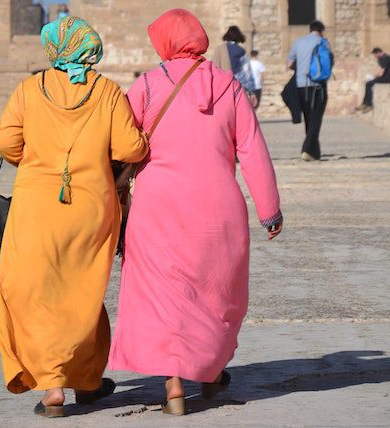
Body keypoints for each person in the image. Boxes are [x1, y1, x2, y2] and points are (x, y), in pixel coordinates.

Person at [108, 9, 282, 416]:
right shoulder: (229, 86)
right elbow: (252, 150)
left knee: (163, 295)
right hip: (219, 209)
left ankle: (172, 385)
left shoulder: (147, 86)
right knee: (215, 294)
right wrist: (269, 209)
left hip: (158, 209)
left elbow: (120, 143)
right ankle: (209, 370)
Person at [0, 16, 148, 418]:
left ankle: (53, 386)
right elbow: (131, 148)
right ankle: (87, 379)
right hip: (91, 208)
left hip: (36, 206)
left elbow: (7, 140)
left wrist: (32, 161)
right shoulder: (109, 91)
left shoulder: (30, 89)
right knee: (83, 290)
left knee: (34, 291)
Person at [286, 20, 331, 162]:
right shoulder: (323, 42)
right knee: (316, 120)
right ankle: (306, 149)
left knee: (309, 119)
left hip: (301, 85)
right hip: (318, 86)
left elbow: (289, 64)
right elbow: (328, 65)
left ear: (310, 29)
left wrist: (301, 69)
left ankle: (315, 153)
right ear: (321, 30)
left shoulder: (298, 42)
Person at [212, 26, 256, 104]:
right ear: (238, 36)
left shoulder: (218, 49)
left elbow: (214, 68)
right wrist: (251, 91)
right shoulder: (241, 51)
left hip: (222, 86)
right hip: (238, 85)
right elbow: (247, 72)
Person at [355, 48, 390, 113]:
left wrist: (373, 77)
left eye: (375, 55)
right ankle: (365, 104)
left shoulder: (386, 59)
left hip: (388, 78)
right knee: (368, 83)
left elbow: (381, 73)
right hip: (387, 77)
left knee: (369, 84)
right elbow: (380, 71)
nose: (375, 57)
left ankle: (368, 104)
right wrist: (374, 76)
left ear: (378, 53)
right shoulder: (385, 58)